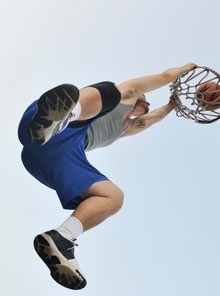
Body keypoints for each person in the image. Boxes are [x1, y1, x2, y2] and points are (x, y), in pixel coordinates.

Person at [18, 63, 196, 290]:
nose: (148, 103)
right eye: (146, 98)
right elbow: (165, 76)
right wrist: (186, 69)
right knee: (111, 91)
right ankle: (63, 117)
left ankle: (62, 238)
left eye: (148, 104)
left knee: (113, 197)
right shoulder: (128, 94)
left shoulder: (128, 127)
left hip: (60, 156)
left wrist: (172, 106)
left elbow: (152, 119)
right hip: (55, 128)